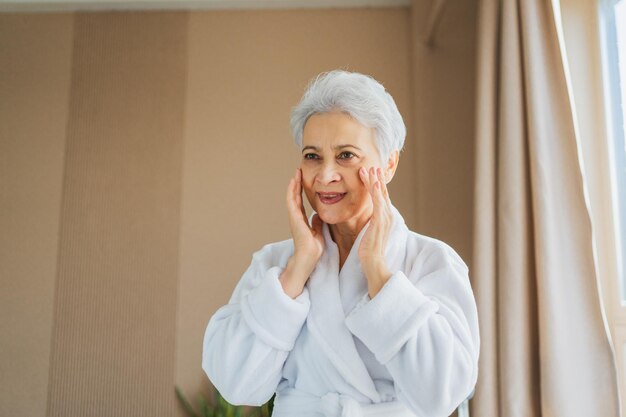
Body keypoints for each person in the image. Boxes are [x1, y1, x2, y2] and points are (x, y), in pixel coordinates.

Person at [202, 70, 480, 417]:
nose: (325, 175)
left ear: (389, 163)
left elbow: (443, 393)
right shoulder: (275, 263)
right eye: (312, 156)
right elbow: (235, 383)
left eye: (346, 155)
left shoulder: (431, 260)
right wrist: (298, 268)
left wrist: (379, 274)